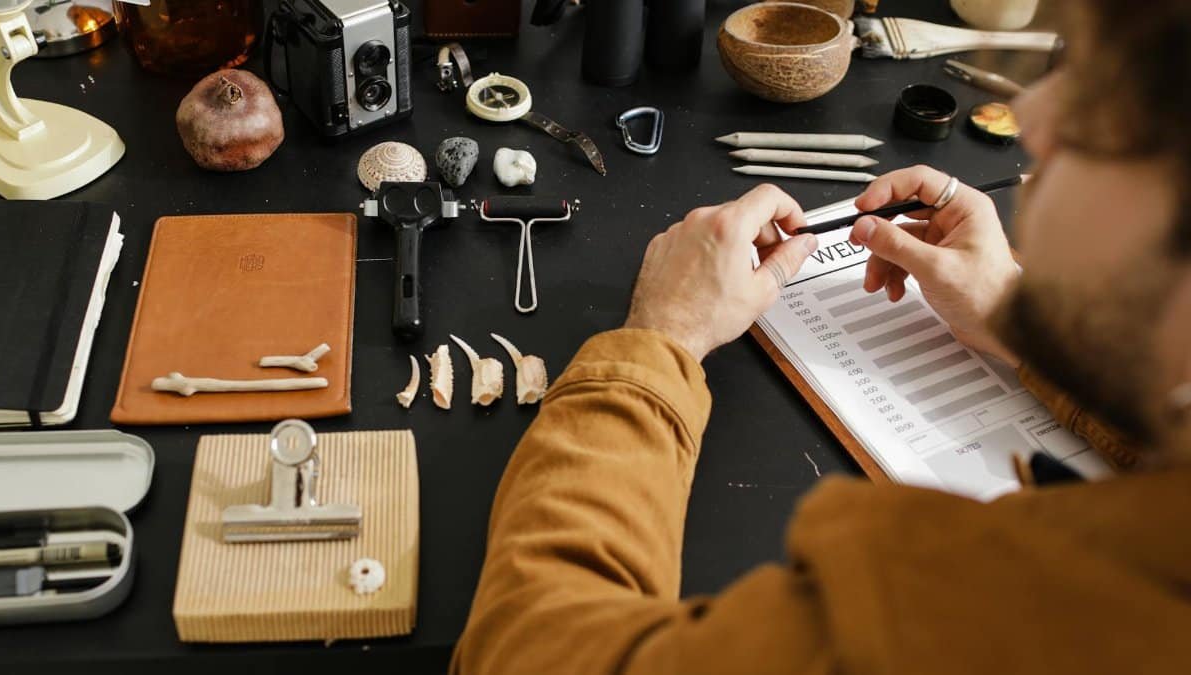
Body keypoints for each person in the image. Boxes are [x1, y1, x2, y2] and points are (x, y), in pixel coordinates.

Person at [451, 2, 1191, 673]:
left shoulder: (978, 612)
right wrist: (1017, 318)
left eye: (1110, 89)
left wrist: (661, 336)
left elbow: (532, 649)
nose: (1039, 119)